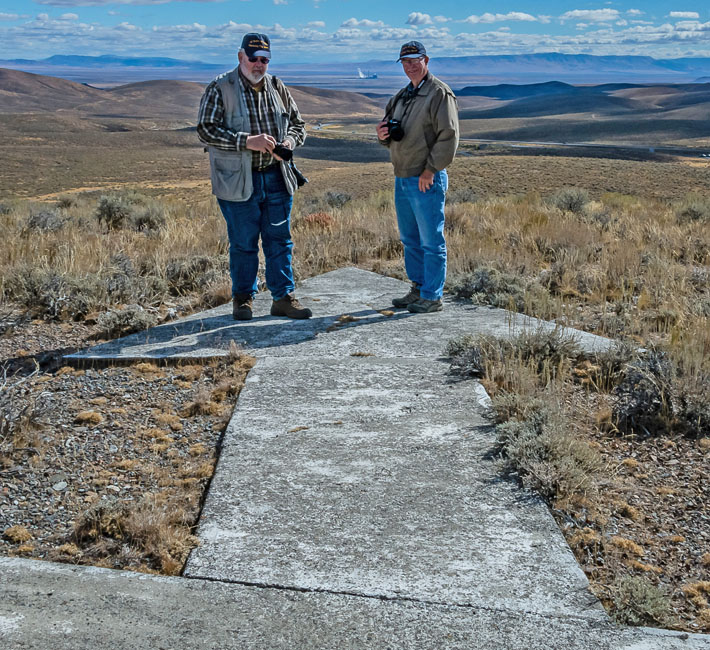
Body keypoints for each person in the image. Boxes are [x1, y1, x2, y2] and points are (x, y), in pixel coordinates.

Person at [197, 32, 311, 321]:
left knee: (279, 240)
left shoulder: (277, 86)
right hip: (238, 181)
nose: (259, 64)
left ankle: (283, 298)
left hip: (276, 178)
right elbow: (206, 129)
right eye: (253, 58)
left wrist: (289, 143)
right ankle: (243, 299)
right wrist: (247, 141)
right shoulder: (220, 87)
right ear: (240, 57)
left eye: (265, 59)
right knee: (243, 243)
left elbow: (298, 125)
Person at [377, 41, 459, 313]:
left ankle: (433, 296)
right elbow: (391, 134)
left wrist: (430, 170)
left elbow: (449, 136)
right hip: (402, 177)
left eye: (416, 60)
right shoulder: (402, 96)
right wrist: (382, 136)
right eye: (405, 61)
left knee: (431, 241)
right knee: (410, 239)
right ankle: (418, 288)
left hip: (425, 178)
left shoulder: (439, 94)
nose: (411, 66)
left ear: (426, 60)